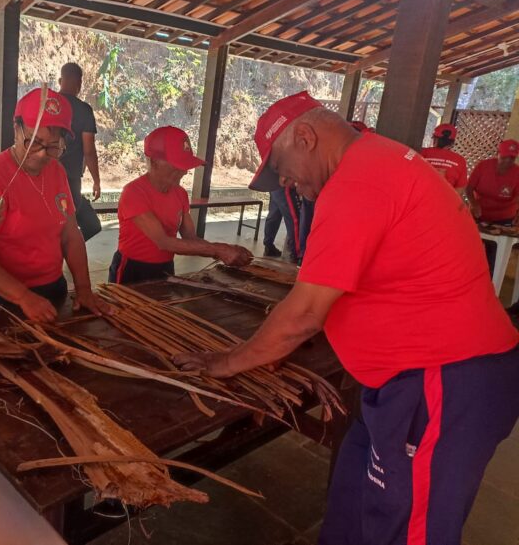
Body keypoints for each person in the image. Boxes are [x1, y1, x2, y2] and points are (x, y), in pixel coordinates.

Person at [175, 92, 519, 545]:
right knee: (353, 509)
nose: (286, 184)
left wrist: (228, 360)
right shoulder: (375, 162)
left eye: (281, 169)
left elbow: (304, 314)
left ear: (305, 137)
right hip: (406, 380)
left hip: (441, 380)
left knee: (405, 530)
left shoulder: (359, 181)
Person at [0, 86, 109, 323]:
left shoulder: (57, 171)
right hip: (0, 297)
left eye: (53, 146)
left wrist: (83, 288)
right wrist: (22, 296)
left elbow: (70, 235)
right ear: (16, 129)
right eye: (33, 142)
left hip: (51, 289)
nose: (42, 155)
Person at [108, 126, 252, 284]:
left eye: (185, 165)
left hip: (165, 266)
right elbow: (163, 242)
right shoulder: (134, 192)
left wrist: (225, 251)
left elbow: (190, 238)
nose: (184, 171)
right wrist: (218, 249)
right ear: (155, 162)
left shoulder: (181, 194)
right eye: (178, 165)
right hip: (132, 269)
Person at [58, 62, 102, 240]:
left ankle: (61, 250)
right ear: (80, 83)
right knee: (89, 226)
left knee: (60, 226)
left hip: (44, 177)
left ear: (60, 80)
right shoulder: (84, 110)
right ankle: (63, 250)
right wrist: (96, 181)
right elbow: (89, 150)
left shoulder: (48, 104)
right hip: (70, 180)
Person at [465, 139, 519, 274]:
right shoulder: (483, 166)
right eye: (504, 157)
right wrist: (474, 203)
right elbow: (468, 188)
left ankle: (489, 279)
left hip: (503, 219)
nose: (508, 161)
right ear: (497, 153)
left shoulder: (517, 173)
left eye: (512, 158)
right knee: (469, 246)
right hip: (479, 214)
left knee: (493, 251)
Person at [420, 123, 467, 193]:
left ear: (435, 139)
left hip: (419, 196)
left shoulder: (421, 152)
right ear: (452, 143)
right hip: (443, 198)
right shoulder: (460, 160)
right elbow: (460, 188)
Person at [262, 185, 297, 259]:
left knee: (274, 215)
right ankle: (296, 252)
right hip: (285, 184)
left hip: (275, 184)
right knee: (293, 218)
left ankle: (268, 246)